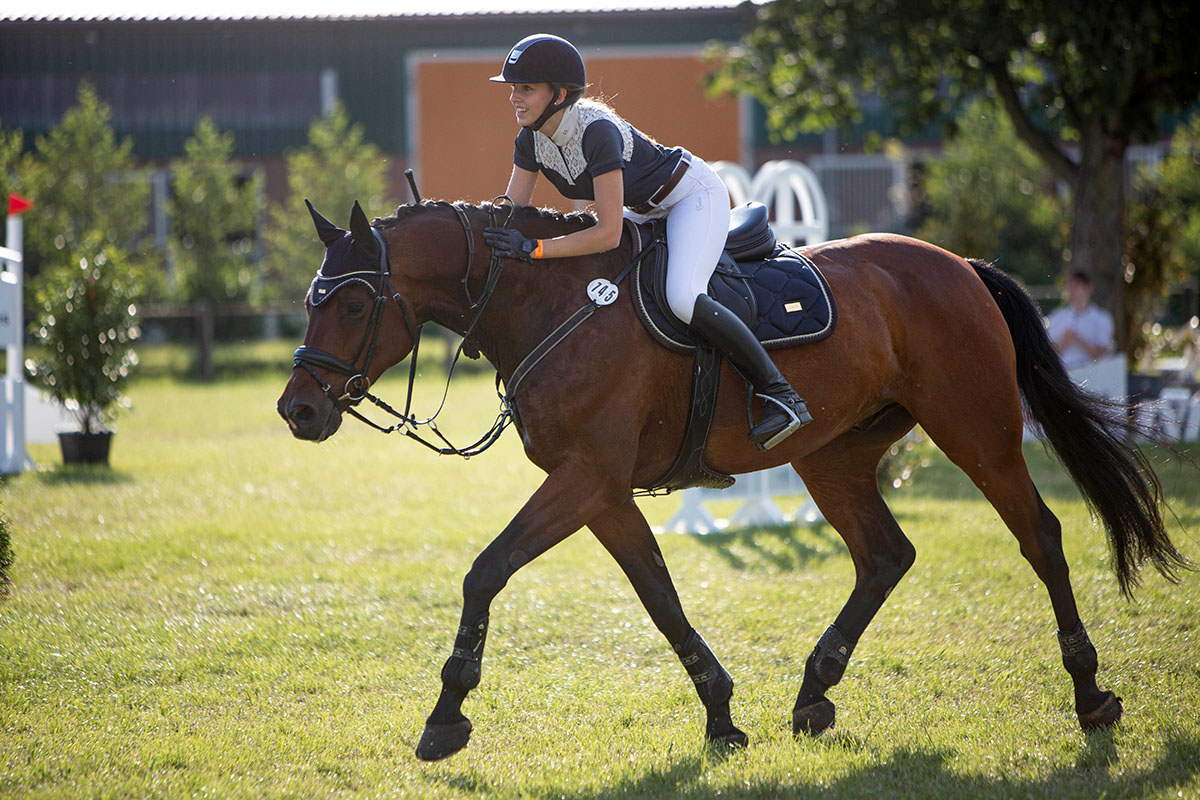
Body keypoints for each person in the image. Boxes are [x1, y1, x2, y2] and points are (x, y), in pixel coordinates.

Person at [482, 33, 812, 450]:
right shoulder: (530, 137)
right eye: (513, 87)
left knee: (682, 297)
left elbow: (606, 232)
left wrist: (536, 249)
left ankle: (780, 393)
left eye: (525, 88)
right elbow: (514, 209)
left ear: (560, 94)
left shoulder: (596, 131)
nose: (514, 97)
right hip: (641, 209)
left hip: (689, 196)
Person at [1046, 271, 1115, 369]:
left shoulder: (1102, 318)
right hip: (1063, 374)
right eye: (1069, 287)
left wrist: (1078, 340)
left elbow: (1102, 355)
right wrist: (1064, 340)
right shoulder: (1057, 316)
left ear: (1088, 288)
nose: (1072, 291)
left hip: (1091, 375)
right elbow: (1049, 355)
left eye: (1076, 286)